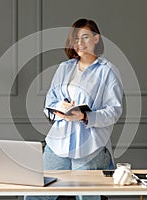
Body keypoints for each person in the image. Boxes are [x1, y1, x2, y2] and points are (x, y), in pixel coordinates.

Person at [26, 18, 123, 200]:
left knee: (87, 197)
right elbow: (50, 101)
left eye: (85, 37)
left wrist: (85, 116)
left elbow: (114, 111)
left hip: (90, 146)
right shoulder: (64, 68)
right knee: (37, 195)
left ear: (96, 39)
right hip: (58, 142)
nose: (80, 43)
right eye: (76, 39)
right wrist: (60, 108)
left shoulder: (107, 70)